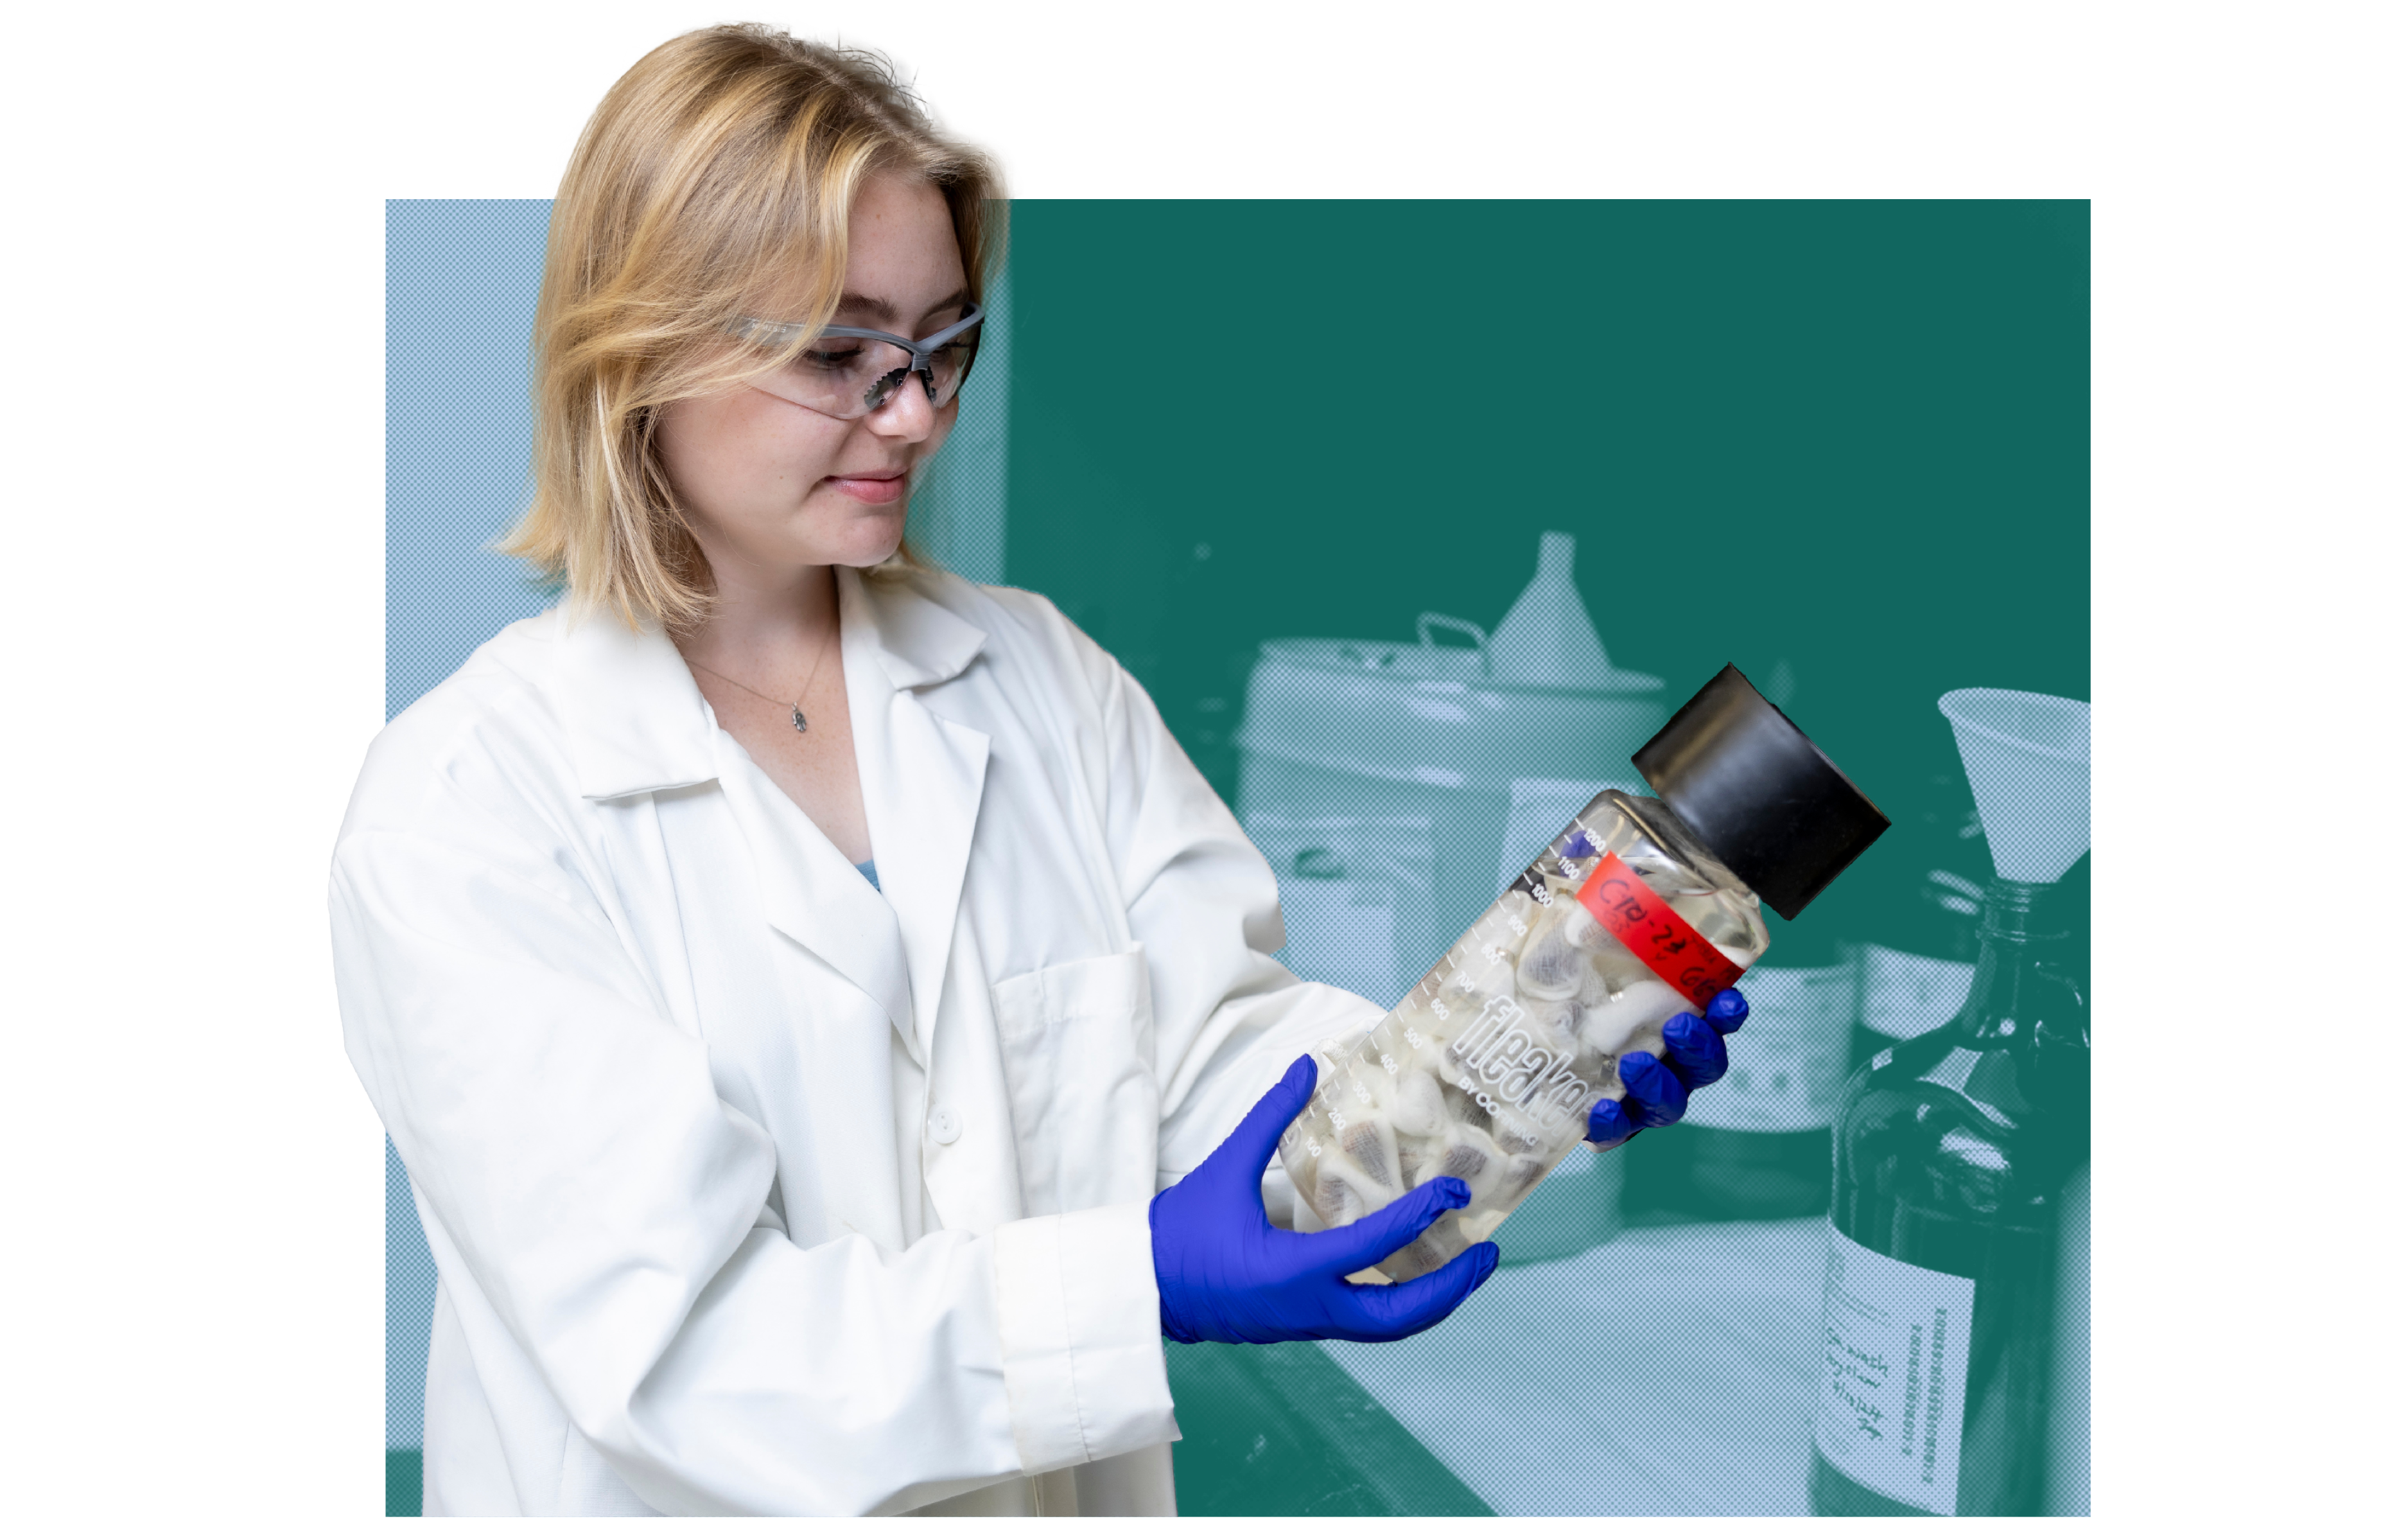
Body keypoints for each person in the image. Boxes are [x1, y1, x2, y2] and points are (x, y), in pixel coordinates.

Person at [333, 16, 1743, 1517]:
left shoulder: (1036, 678)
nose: (921, 412)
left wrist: (1508, 1068)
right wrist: (1126, 1286)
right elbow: (686, 1359)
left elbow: (1209, 1061)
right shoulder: (468, 815)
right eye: (843, 353)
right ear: (638, 347)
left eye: (946, 345)